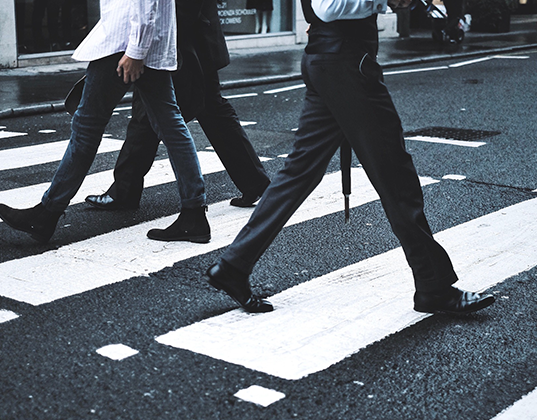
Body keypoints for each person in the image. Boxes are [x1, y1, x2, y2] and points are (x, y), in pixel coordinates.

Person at [205, 0, 496, 314]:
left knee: (299, 172)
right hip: (346, 65)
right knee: (396, 177)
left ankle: (234, 266)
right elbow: (329, 6)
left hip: (333, 60)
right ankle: (434, 286)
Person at [0, 0, 210, 244]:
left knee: (86, 127)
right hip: (140, 39)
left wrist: (136, 50)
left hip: (122, 43)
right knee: (171, 126)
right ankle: (194, 213)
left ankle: (47, 212)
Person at [85, 0, 271, 219]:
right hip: (193, 39)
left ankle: (127, 191)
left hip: (184, 41)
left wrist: (146, 44)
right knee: (208, 111)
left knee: (150, 114)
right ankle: (256, 184)